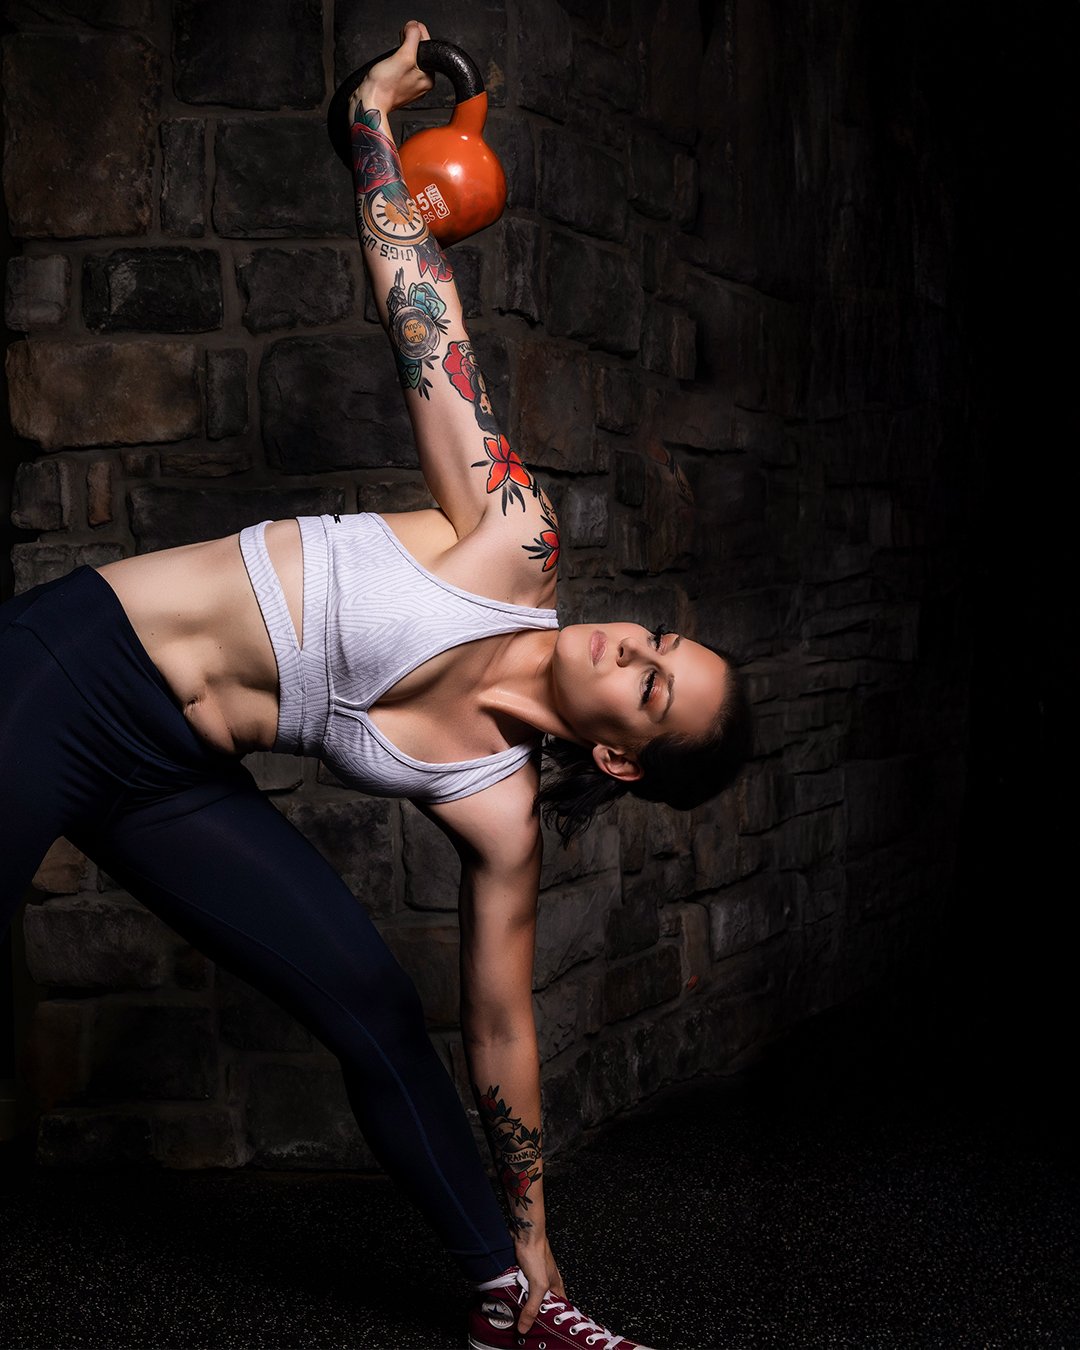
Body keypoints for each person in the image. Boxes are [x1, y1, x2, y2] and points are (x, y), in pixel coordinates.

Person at [0, 21, 750, 1350]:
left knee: (372, 1003)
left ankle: (512, 1305)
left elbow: (504, 1031)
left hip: (167, 773)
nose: (623, 650)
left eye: (647, 689)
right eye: (652, 640)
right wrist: (369, 127)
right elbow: (424, 312)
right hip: (73, 669)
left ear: (626, 757)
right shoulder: (513, 540)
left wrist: (537, 1237)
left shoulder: (501, 810)